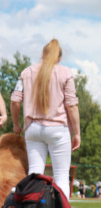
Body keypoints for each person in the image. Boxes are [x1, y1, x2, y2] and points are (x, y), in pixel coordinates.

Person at [10, 39, 80, 196]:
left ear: (42, 54)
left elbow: (15, 100)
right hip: (58, 129)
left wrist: (16, 124)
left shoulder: (27, 72)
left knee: (34, 175)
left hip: (33, 129)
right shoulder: (65, 73)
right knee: (61, 175)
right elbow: (72, 106)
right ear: (59, 58)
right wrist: (77, 133)